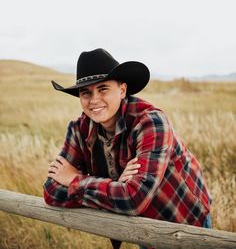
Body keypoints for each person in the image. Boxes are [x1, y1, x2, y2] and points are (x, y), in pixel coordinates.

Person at [43, 48, 212, 249]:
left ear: (122, 90)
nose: (94, 100)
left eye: (103, 89)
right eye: (85, 92)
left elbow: (133, 199)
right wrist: (115, 185)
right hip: (144, 229)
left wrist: (73, 180)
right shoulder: (79, 129)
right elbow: (51, 192)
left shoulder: (151, 122)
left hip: (185, 221)